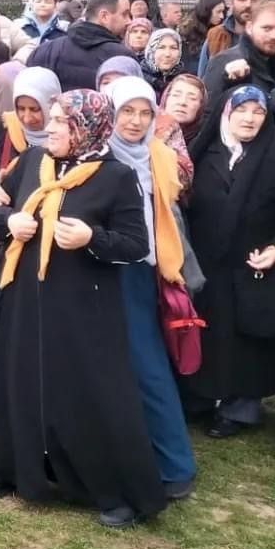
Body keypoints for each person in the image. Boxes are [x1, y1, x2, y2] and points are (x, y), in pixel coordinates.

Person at [0, 91, 167, 527]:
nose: (51, 127)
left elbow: (137, 245)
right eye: (54, 119)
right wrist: (8, 222)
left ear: (87, 128)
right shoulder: (33, 161)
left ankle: (110, 490)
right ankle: (10, 469)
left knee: (86, 394)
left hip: (84, 308)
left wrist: (91, 238)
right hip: (25, 298)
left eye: (63, 121)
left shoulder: (116, 177)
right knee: (20, 381)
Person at [102, 77, 198, 500]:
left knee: (146, 365)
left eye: (145, 113)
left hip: (138, 271)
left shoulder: (158, 155)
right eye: (127, 111)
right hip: (93, 268)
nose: (136, 121)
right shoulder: (95, 152)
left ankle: (175, 463)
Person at [182, 85, 275, 438]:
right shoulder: (203, 152)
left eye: (258, 112)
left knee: (249, 342)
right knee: (208, 331)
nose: (249, 118)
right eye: (241, 110)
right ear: (225, 113)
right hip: (207, 262)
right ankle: (200, 397)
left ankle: (241, 408)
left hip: (253, 263)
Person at [201, 0, 275, 136]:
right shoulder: (224, 62)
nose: (273, 36)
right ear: (249, 27)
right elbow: (207, 119)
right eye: (267, 28)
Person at [28, 0, 134, 89]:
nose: (129, 21)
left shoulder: (46, 50)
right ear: (104, 16)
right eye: (125, 15)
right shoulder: (124, 58)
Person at [0, 66, 61, 173]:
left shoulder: (65, 138)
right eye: (20, 109)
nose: (27, 119)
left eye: (34, 109)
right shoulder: (3, 127)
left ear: (50, 106)